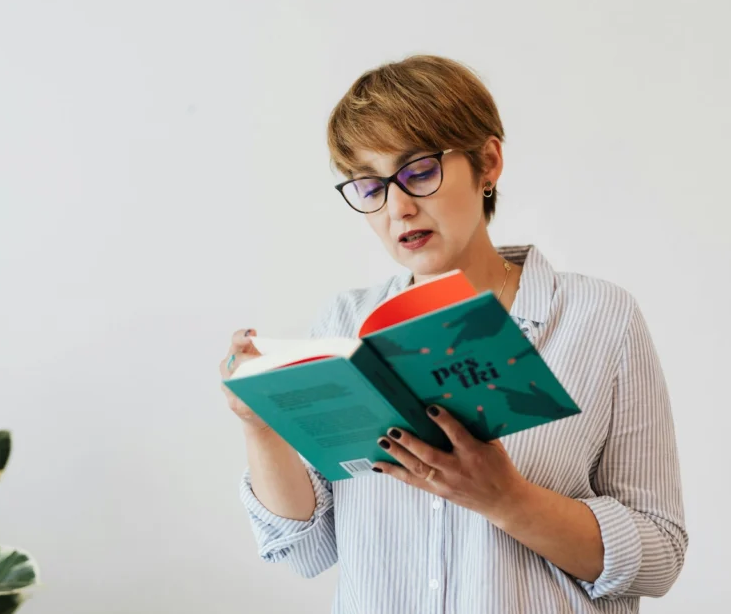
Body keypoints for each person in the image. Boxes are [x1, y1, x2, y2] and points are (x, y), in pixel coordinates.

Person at [219, 54, 688, 613]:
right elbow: (305, 551)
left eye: (418, 172)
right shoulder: (344, 327)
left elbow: (659, 554)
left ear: (488, 162)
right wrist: (259, 425)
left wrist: (508, 499)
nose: (398, 207)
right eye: (370, 186)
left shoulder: (599, 318)